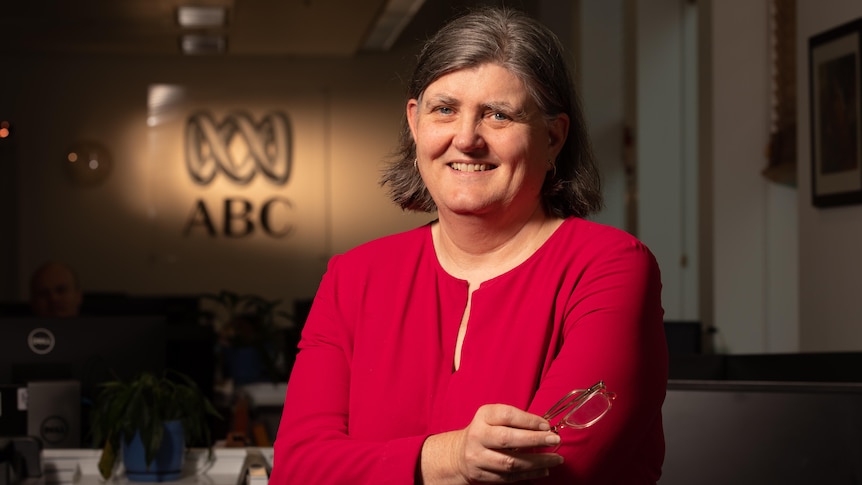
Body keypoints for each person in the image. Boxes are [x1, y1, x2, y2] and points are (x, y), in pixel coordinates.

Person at [270, 6, 667, 484]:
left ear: (554, 137)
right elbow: (297, 469)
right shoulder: (354, 277)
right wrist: (450, 458)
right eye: (444, 110)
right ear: (415, 123)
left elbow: (546, 472)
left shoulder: (610, 267)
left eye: (498, 115)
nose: (466, 139)